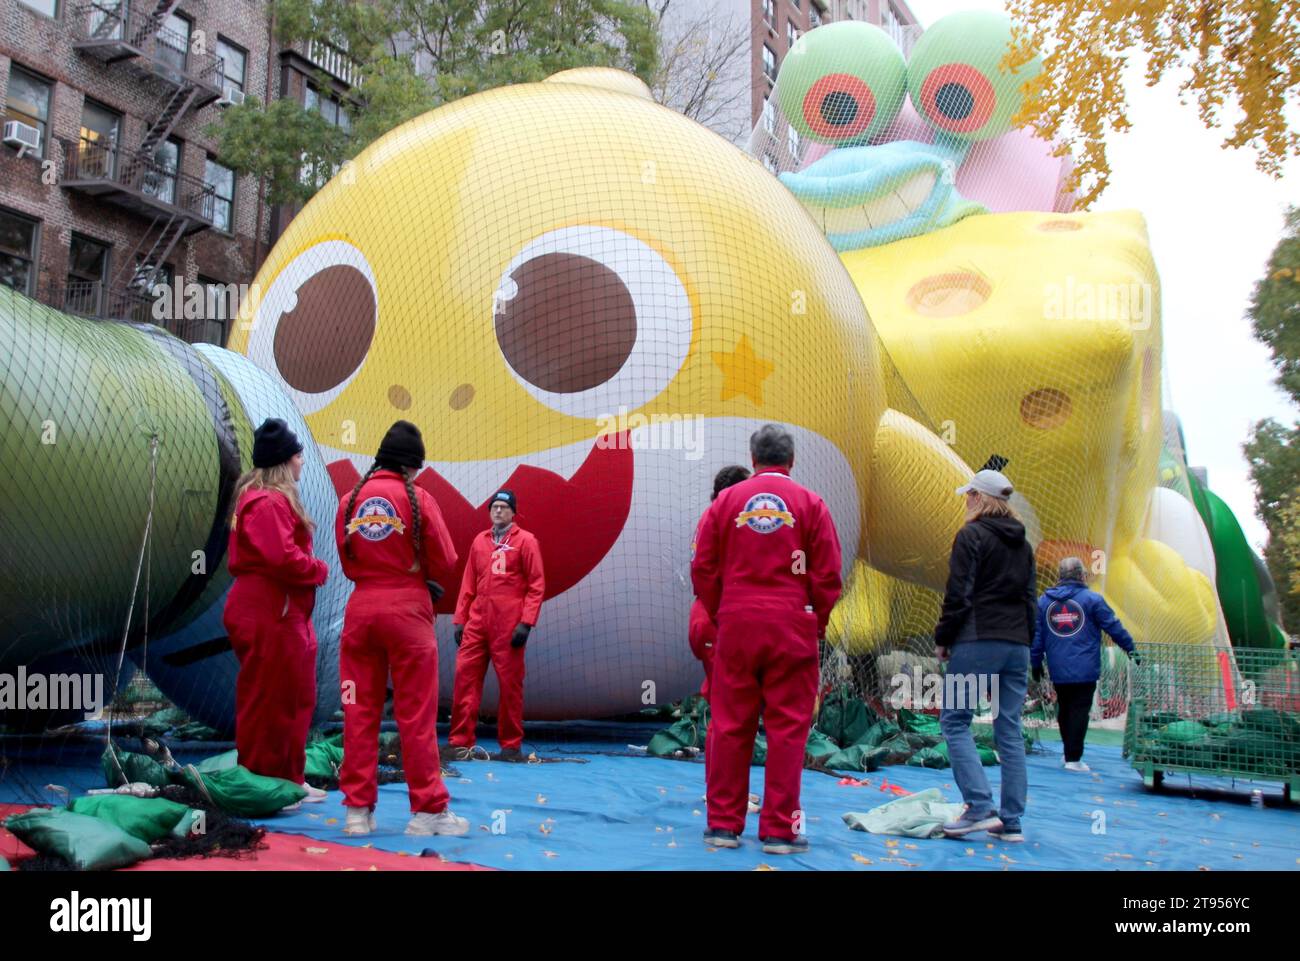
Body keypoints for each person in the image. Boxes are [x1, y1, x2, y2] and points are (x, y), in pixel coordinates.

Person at [691, 424, 842, 855]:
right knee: (788, 730)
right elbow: (827, 575)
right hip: (791, 624)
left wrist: (725, 611)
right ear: (791, 460)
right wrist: (815, 620)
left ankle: (722, 826)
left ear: (753, 458)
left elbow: (703, 567)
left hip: (737, 622)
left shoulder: (725, 503)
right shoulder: (811, 504)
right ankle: (779, 830)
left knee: (730, 725)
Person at [335, 421, 468, 837]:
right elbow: (446, 559)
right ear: (412, 466)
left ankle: (357, 812)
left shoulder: (348, 501)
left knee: (358, 714)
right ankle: (427, 810)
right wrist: (412, 569)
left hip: (361, 613)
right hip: (407, 613)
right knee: (416, 716)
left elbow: (347, 562)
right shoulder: (418, 499)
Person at [223, 419, 330, 803]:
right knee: (277, 697)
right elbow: (281, 557)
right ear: (284, 462)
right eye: (298, 455)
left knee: (278, 695)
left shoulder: (256, 498)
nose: (303, 462)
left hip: (273, 609)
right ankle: (272, 778)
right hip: (272, 610)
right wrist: (317, 568)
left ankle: (276, 775)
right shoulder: (268, 502)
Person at [934, 468, 1036, 843]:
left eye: (968, 495)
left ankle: (979, 806)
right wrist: (1029, 645)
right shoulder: (1023, 545)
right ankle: (1011, 820)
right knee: (1008, 729)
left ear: (978, 498)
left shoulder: (971, 535)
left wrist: (944, 637)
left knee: (956, 721)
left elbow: (958, 594)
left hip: (978, 642)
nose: (965, 501)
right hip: (1017, 645)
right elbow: (1030, 599)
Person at [448, 489, 545, 762]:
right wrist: (460, 619)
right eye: (494, 507)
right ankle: (459, 742)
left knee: (510, 684)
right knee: (465, 679)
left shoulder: (526, 541)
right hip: (478, 620)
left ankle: (511, 745)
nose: (498, 511)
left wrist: (526, 623)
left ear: (513, 512)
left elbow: (536, 585)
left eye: (504, 507)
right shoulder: (480, 541)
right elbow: (468, 583)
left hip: (509, 621)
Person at [1032, 556, 1138, 772]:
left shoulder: (1044, 602)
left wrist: (1034, 662)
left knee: (1064, 707)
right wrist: (1130, 648)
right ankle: (1073, 758)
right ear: (1082, 575)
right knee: (1080, 710)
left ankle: (1068, 752)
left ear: (1059, 576)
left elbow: (1037, 636)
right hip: (1085, 667)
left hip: (1058, 667)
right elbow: (1113, 626)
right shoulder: (1092, 600)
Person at [689, 465, 752, 702]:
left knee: (727, 698)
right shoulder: (723, 518)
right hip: (714, 619)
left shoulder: (715, 515)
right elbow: (703, 571)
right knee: (729, 701)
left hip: (708, 616)